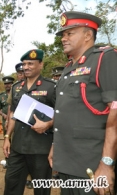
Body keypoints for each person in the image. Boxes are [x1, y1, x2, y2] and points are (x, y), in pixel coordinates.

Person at [49, 11, 117, 194]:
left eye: (69, 33)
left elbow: (115, 112)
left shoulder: (105, 58)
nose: (64, 38)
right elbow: (64, 112)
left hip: (92, 165)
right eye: (63, 34)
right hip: (68, 163)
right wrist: (56, 146)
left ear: (88, 35)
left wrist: (107, 163)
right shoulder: (69, 67)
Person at [3, 49, 56, 195]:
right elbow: (13, 113)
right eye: (24, 64)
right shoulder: (16, 87)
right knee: (11, 185)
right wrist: (7, 137)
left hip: (40, 149)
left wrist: (48, 124)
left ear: (41, 64)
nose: (26, 67)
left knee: (42, 189)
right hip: (18, 148)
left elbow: (61, 114)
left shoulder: (51, 87)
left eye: (30, 64)